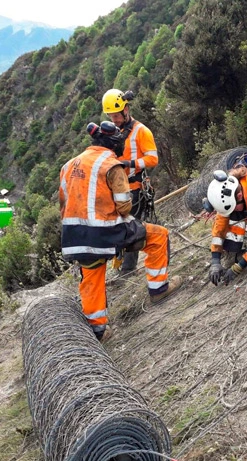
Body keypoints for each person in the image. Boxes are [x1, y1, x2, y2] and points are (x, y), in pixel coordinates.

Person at [59, 121, 182, 341]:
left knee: (92, 274)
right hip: (108, 231)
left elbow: (63, 202)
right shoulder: (111, 164)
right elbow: (124, 207)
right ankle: (159, 289)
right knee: (158, 235)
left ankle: (98, 330)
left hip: (74, 236)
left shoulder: (68, 165)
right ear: (114, 143)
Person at [102, 88, 159, 277]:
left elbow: (152, 159)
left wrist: (129, 163)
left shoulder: (142, 131)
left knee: (131, 226)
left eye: (117, 115)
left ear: (126, 109)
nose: (115, 119)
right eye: (111, 116)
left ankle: (127, 269)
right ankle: (118, 263)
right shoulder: (113, 132)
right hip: (117, 188)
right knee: (117, 226)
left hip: (135, 187)